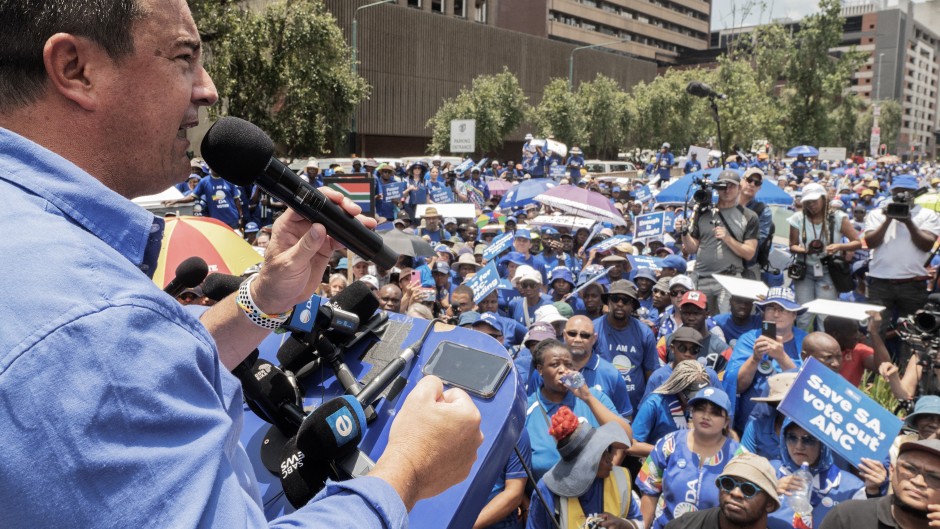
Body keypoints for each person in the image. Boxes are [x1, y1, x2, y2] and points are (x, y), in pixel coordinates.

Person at [0, 2, 485, 527]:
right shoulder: (93, 323)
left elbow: (144, 373)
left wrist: (266, 297)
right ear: (75, 68)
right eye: (184, 58)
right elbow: (103, 353)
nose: (207, 89)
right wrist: (406, 471)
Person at [524, 340, 632, 483]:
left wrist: (587, 398)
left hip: (594, 497)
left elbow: (626, 440)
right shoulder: (526, 409)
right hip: (546, 500)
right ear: (540, 369)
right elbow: (514, 468)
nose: (563, 370)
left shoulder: (594, 397)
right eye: (555, 364)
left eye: (568, 365)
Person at [636, 387, 744, 529]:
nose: (706, 416)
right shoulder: (669, 443)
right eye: (700, 409)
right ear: (692, 412)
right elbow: (650, 491)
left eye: (715, 413)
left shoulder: (738, 455)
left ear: (726, 422)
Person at [526, 406, 642, 529]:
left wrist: (623, 524)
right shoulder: (546, 491)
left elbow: (641, 523)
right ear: (581, 465)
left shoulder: (620, 480)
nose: (610, 458)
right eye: (600, 454)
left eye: (606, 449)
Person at [864, 174, 940, 347]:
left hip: (912, 283)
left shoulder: (928, 215)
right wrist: (888, 218)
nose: (902, 195)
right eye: (898, 192)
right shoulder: (877, 214)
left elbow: (927, 245)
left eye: (907, 192)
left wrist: (908, 222)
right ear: (892, 192)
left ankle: (909, 372)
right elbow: (870, 242)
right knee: (875, 331)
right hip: (880, 283)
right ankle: (872, 371)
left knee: (915, 334)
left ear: (915, 193)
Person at [768, 420, 885, 528]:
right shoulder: (769, 471)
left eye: (808, 439)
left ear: (823, 443)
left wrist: (873, 493)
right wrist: (767, 493)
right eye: (792, 438)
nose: (799, 446)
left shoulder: (852, 487)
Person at [723, 287, 808, 434]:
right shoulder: (749, 339)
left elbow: (808, 388)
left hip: (792, 428)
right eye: (770, 308)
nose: (776, 314)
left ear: (794, 314)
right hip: (751, 427)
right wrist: (755, 358)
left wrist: (782, 358)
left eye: (783, 309)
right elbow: (735, 385)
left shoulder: (806, 341)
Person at [677, 170, 759, 315]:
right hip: (701, 277)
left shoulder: (749, 216)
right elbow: (692, 248)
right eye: (723, 186)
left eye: (732, 186)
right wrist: (684, 233)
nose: (727, 190)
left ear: (739, 188)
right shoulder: (702, 212)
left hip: (729, 279)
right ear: (716, 188)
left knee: (724, 320)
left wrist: (727, 238)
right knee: (699, 320)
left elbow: (749, 253)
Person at [819, 439, 940, 529]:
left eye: (935, 477)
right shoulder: (847, 516)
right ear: (892, 471)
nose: (918, 482)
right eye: (909, 469)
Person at [787, 183, 861, 329]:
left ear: (823, 198)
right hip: (805, 270)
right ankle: (801, 346)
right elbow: (792, 246)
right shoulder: (797, 218)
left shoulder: (838, 217)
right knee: (803, 313)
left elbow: (857, 242)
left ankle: (822, 349)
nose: (811, 205)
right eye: (807, 202)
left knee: (825, 315)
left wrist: (839, 246)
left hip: (828, 269)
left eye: (814, 201)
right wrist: (805, 251)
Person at [663, 452, 781, 529]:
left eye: (748, 489)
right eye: (728, 483)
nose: (735, 493)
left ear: (769, 504)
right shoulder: (684, 526)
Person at [592, 280, 660, 412]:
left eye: (626, 301)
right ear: (608, 302)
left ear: (633, 305)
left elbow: (650, 373)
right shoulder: (593, 329)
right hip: (599, 405)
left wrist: (647, 406)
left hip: (634, 406)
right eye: (615, 299)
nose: (619, 304)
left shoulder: (645, 333)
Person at [740, 372, 798, 460]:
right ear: (773, 404)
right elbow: (742, 462)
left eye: (794, 403)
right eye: (783, 403)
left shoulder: (813, 432)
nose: (789, 408)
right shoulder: (756, 427)